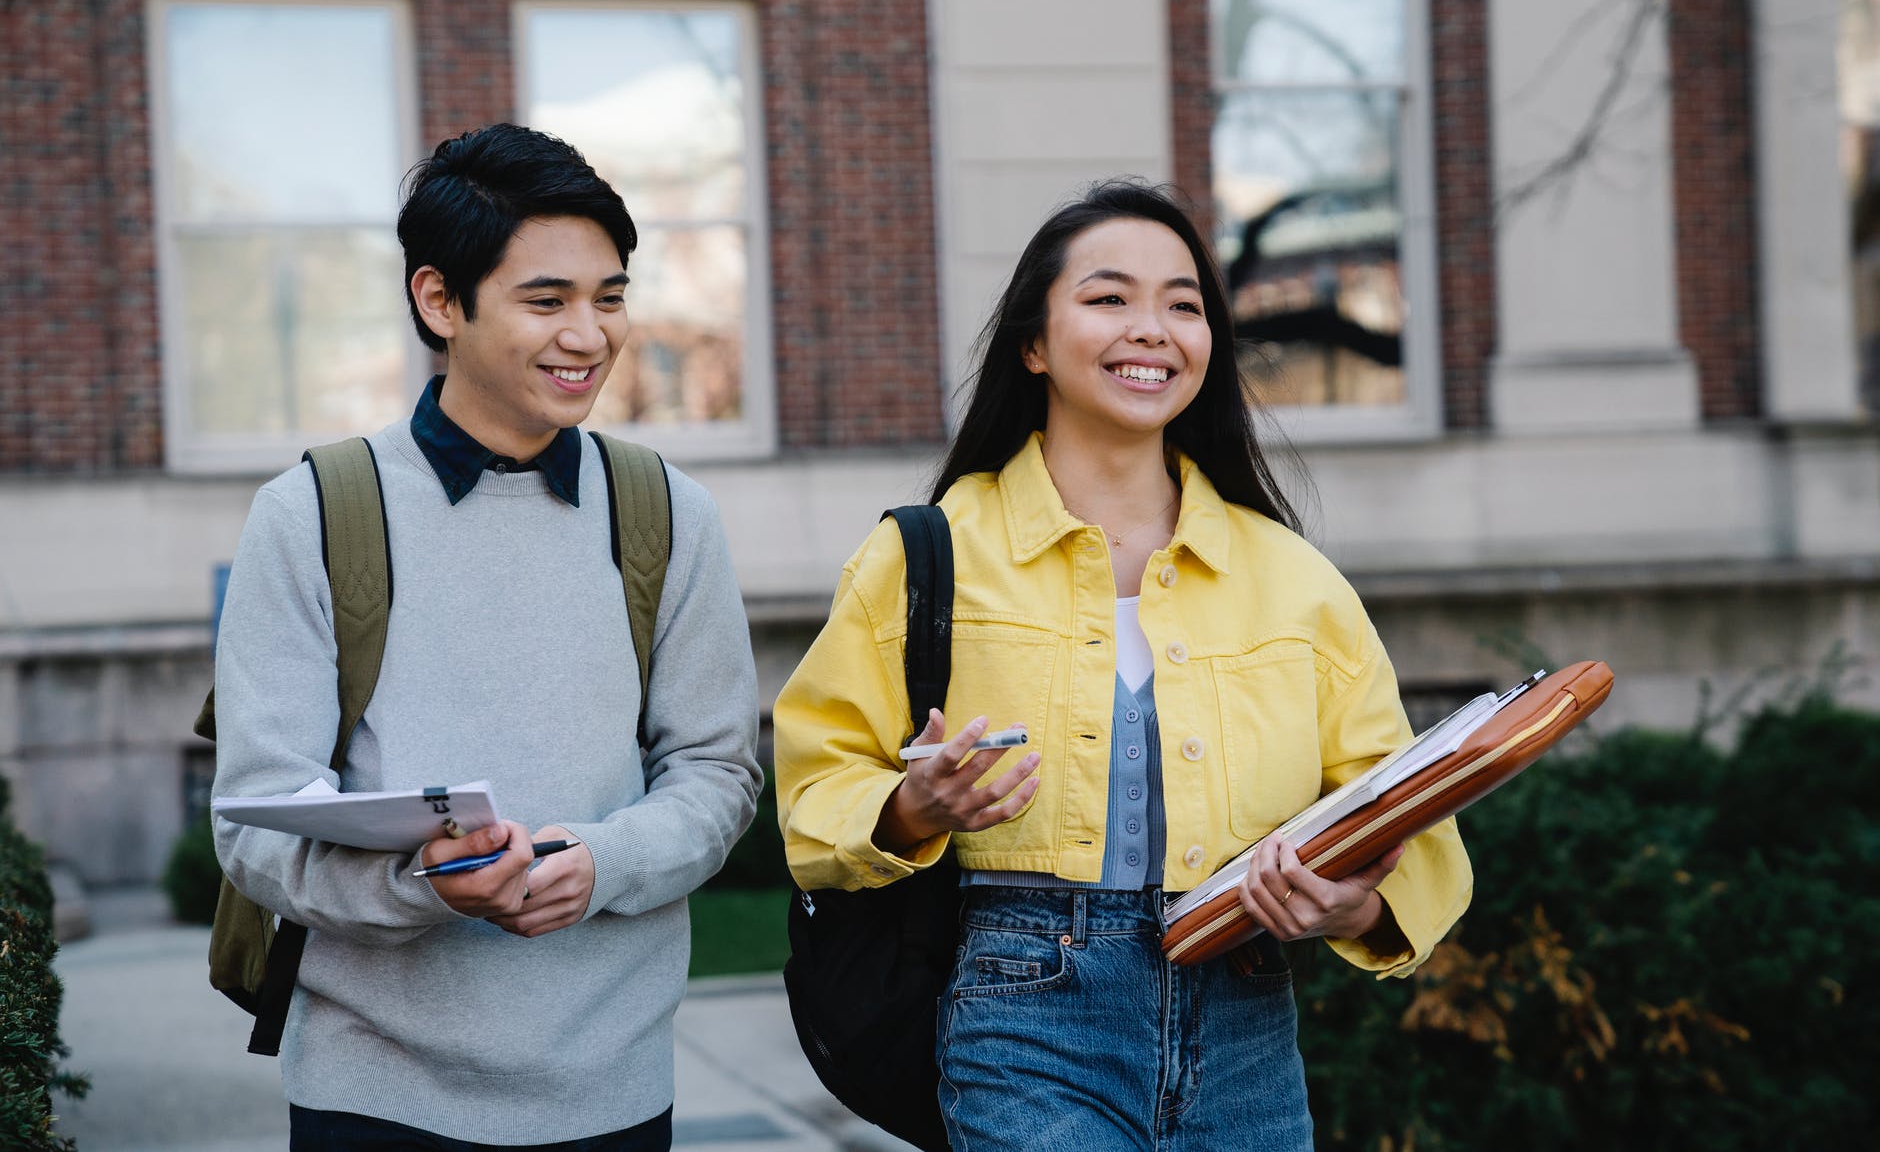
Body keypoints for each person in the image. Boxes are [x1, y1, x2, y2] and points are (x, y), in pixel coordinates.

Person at [772, 180, 1471, 1149]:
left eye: (1182, 305)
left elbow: (1413, 820)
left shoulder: (1292, 579)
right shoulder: (923, 556)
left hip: (1247, 1022)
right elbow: (814, 787)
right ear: (1032, 342)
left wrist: (1354, 902)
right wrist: (910, 807)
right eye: (1108, 298)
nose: (1152, 328)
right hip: (1023, 1018)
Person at [211, 122, 763, 1150]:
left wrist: (600, 860)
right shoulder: (313, 512)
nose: (589, 335)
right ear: (437, 300)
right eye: (546, 300)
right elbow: (256, 823)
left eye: (609, 297)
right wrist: (421, 881)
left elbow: (716, 772)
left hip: (616, 1088)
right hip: (372, 1092)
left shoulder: (668, 511)